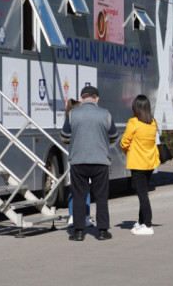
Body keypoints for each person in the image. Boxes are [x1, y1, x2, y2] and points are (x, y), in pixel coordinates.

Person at [61, 86, 118, 241]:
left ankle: (79, 232)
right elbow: (114, 136)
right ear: (96, 98)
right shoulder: (105, 114)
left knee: (79, 195)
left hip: (78, 161)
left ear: (82, 98)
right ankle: (102, 231)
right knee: (101, 196)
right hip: (100, 161)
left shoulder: (72, 114)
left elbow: (64, 137)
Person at [120, 95, 160, 236]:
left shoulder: (133, 122)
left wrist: (129, 151)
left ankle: (147, 224)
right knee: (143, 193)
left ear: (136, 108)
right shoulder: (153, 122)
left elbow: (124, 142)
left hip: (137, 163)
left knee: (142, 195)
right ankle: (141, 222)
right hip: (150, 162)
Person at [63, 99, 94, 228]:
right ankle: (80, 216)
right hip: (82, 158)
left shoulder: (72, 120)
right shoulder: (76, 121)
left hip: (78, 158)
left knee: (77, 189)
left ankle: (75, 216)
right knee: (83, 189)